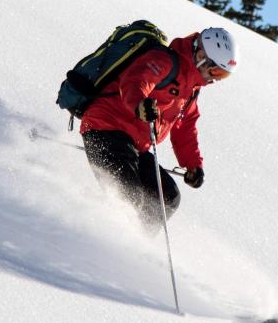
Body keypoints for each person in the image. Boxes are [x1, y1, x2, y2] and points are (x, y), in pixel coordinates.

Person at [80, 27, 238, 227]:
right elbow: (135, 81)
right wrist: (139, 104)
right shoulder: (164, 61)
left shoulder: (191, 89)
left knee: (167, 197)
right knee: (128, 197)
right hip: (105, 127)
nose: (216, 79)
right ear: (201, 55)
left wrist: (193, 165)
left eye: (224, 75)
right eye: (216, 71)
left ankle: (136, 243)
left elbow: (185, 126)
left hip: (136, 146)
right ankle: (98, 235)